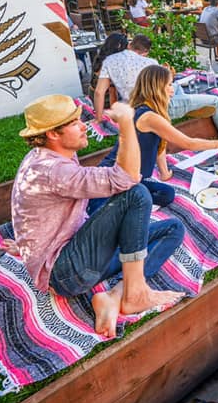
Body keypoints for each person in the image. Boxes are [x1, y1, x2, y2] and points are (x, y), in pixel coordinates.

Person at [10, 95, 185, 338]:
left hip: (74, 256)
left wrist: (27, 246)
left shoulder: (48, 156)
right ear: (52, 134)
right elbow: (127, 178)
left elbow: (31, 212)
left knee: (173, 229)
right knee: (137, 194)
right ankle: (134, 295)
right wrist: (126, 126)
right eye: (74, 123)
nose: (84, 126)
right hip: (65, 273)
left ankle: (115, 295)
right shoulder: (54, 170)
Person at [90, 65, 218, 214]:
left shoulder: (148, 110)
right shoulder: (148, 117)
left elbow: (158, 145)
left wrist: (164, 173)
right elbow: (188, 143)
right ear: (157, 88)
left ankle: (131, 201)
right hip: (112, 181)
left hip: (132, 179)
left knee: (167, 194)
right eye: (168, 85)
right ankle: (125, 205)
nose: (172, 89)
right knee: (115, 213)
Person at [93, 33, 218, 139]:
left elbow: (101, 93)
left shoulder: (109, 65)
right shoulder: (145, 62)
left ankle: (189, 104)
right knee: (215, 101)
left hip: (139, 108)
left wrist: (99, 118)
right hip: (161, 108)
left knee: (176, 87)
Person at [90, 33, 128, 105]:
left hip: (92, 95)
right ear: (119, 46)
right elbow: (112, 92)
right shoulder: (111, 63)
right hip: (105, 100)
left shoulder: (100, 57)